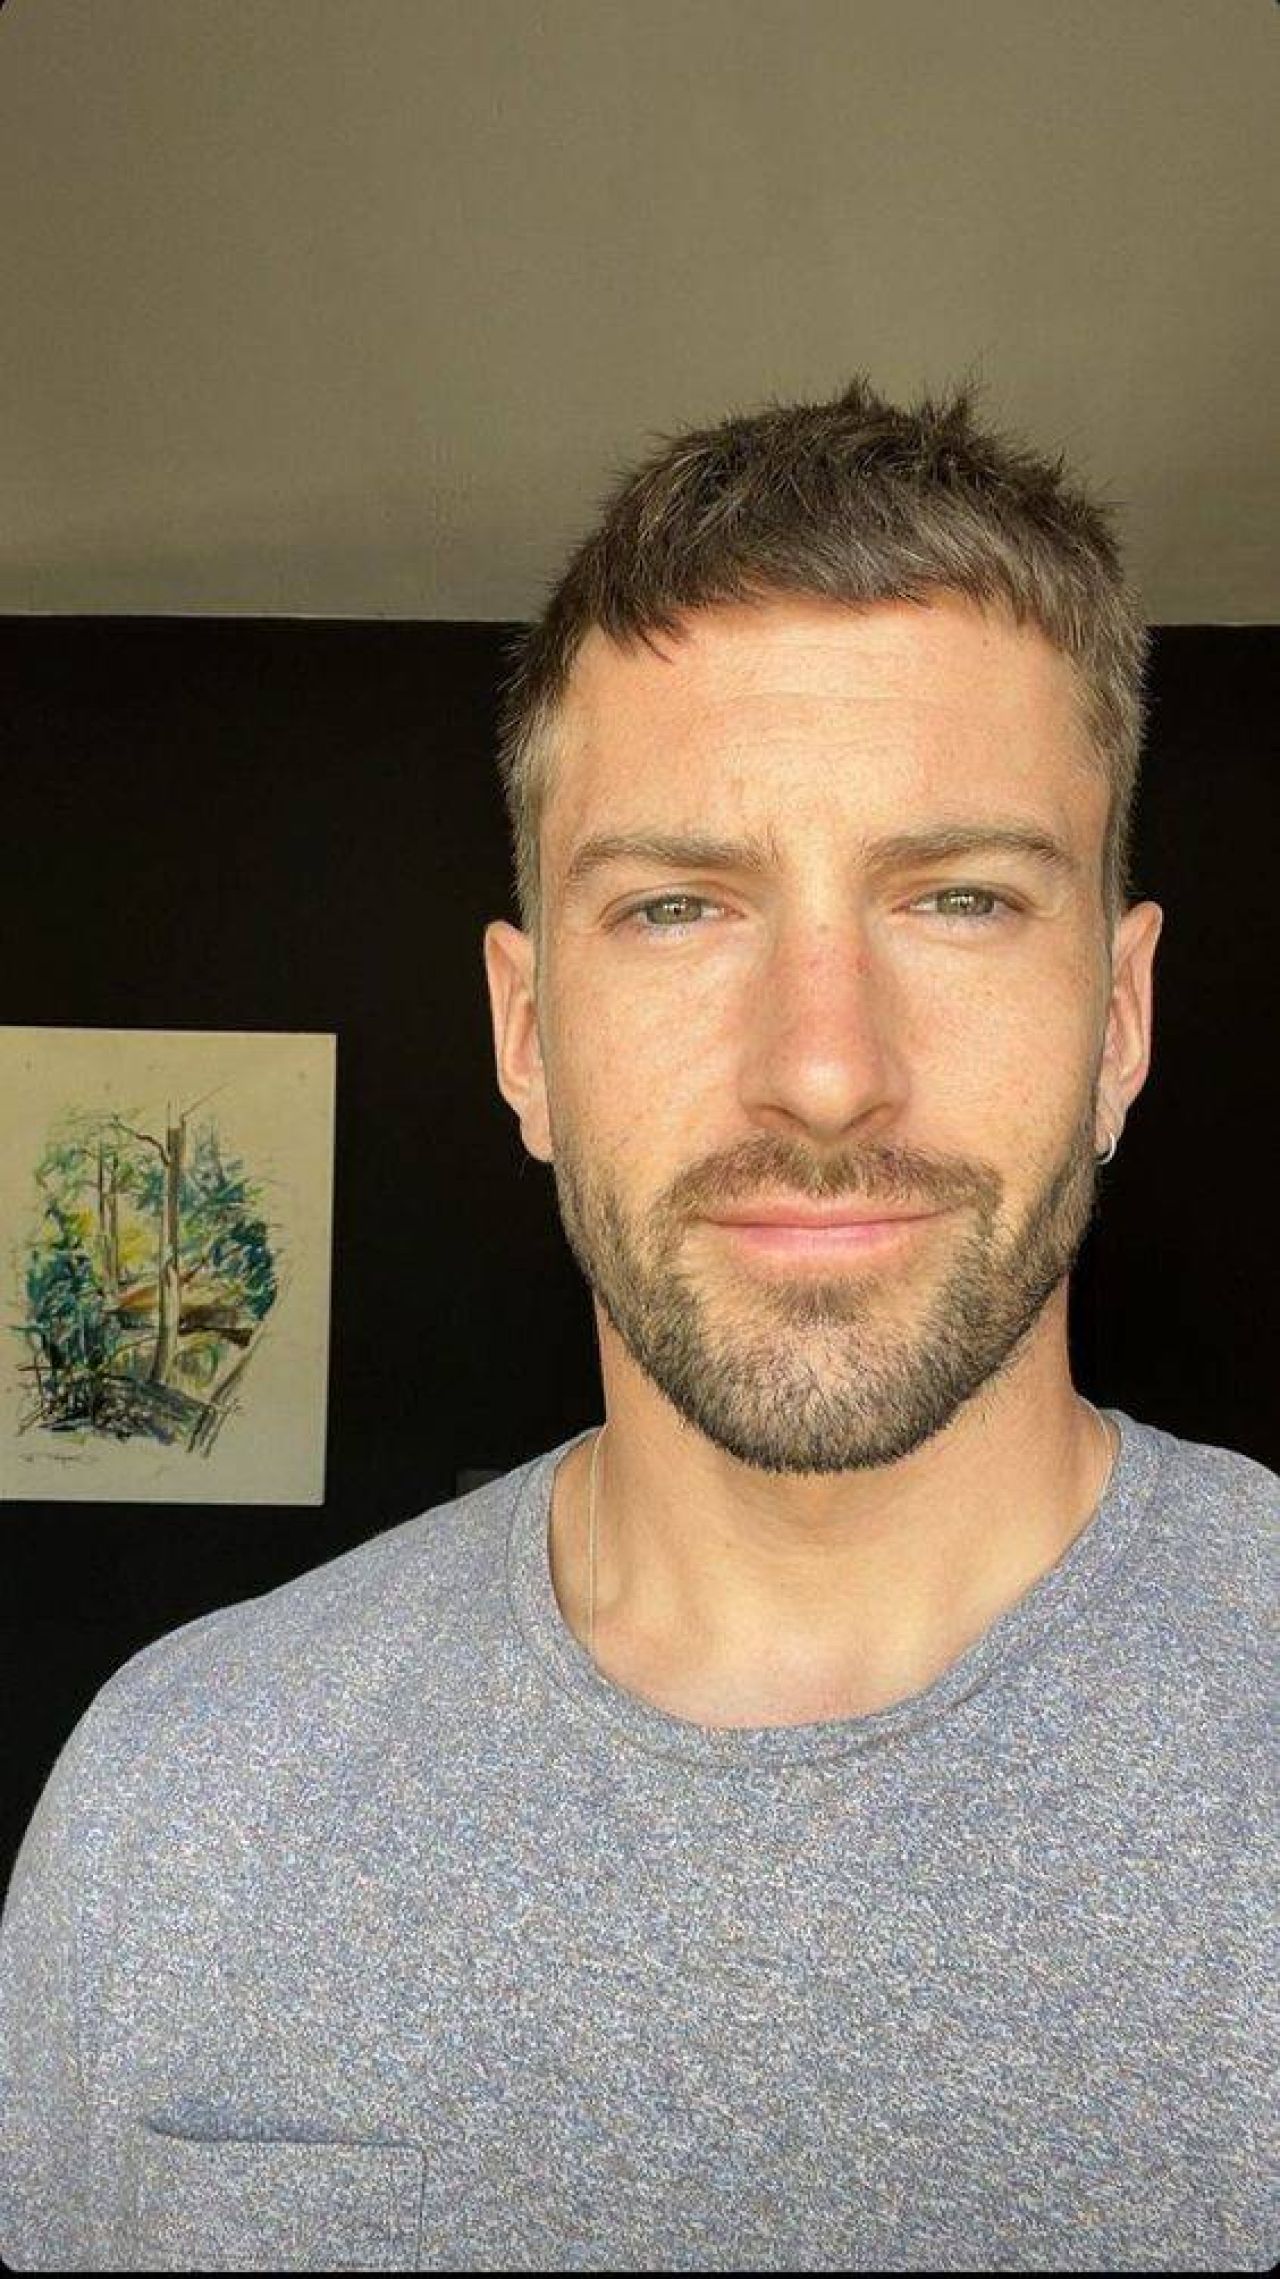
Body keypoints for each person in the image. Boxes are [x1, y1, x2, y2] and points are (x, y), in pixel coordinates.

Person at [1, 376, 1274, 2273]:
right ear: (526, 1039)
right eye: (679, 907)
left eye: (959, 897)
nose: (824, 1071)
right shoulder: (174, 1796)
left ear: (1123, 1017)